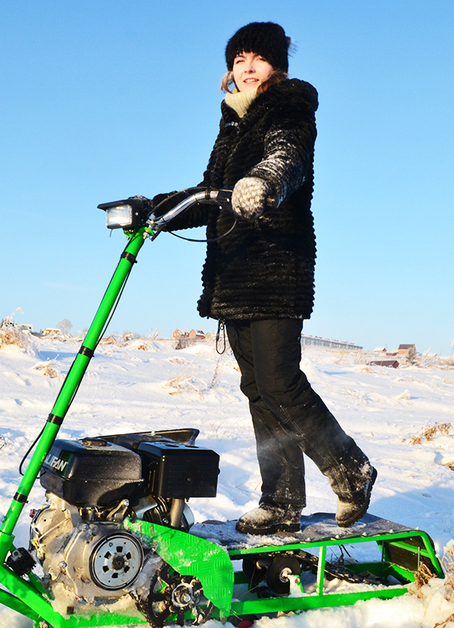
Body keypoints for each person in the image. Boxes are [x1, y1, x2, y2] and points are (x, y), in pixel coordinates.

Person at [152, 22, 376, 533]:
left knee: (281, 382)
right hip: (234, 272)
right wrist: (154, 209)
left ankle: (351, 470)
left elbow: (287, 156)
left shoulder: (289, 106)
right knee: (257, 387)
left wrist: (264, 182)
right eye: (238, 60)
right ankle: (280, 500)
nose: (246, 68)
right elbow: (209, 193)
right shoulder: (232, 124)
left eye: (256, 58)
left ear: (277, 66)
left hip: (275, 267)